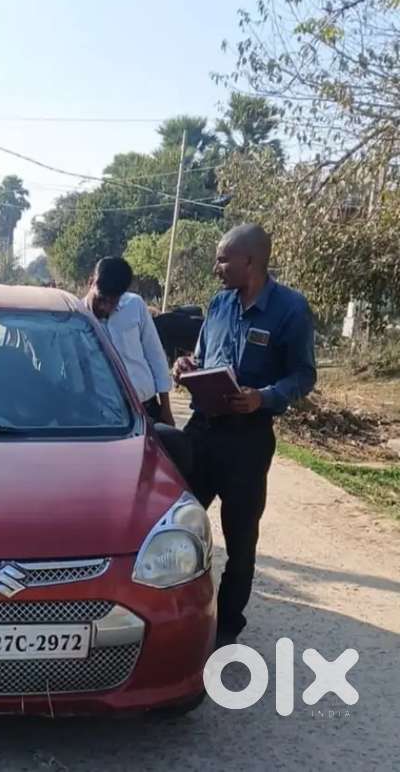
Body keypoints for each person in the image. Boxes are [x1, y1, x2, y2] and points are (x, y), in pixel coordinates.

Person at [174, 224, 316, 648]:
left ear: (249, 261)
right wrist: (186, 366)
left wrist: (265, 397)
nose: (216, 267)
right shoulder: (218, 305)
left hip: (247, 441)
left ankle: (226, 629)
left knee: (240, 538)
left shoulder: (290, 309)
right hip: (201, 432)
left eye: (222, 259)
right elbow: (202, 357)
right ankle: (173, 619)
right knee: (172, 525)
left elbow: (304, 375)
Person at [84, 257, 175, 426]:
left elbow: (155, 355)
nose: (104, 307)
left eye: (112, 302)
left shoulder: (135, 305)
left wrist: (166, 409)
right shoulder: (78, 320)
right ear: (91, 282)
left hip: (147, 408)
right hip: (105, 417)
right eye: (101, 299)